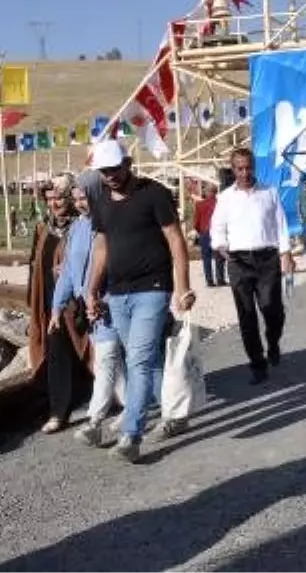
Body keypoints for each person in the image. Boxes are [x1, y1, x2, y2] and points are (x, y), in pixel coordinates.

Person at [86, 139, 195, 462]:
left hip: (154, 287)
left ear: (129, 162)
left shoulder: (155, 194)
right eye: (104, 172)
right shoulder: (102, 202)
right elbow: (102, 247)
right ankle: (174, 412)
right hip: (118, 294)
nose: (111, 176)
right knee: (152, 359)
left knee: (138, 359)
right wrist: (92, 289)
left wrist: (182, 287)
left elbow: (176, 242)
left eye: (116, 169)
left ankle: (131, 435)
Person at [52, 171, 125, 447]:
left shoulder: (111, 221)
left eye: (85, 197)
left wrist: (102, 296)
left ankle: (94, 422)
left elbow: (119, 262)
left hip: (112, 303)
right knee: (113, 363)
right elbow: (70, 270)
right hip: (90, 307)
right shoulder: (78, 228)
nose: (81, 203)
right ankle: (132, 408)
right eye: (77, 198)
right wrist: (58, 306)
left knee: (105, 360)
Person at [210, 148, 294, 384]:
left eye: (248, 167)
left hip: (267, 260)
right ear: (233, 169)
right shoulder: (225, 198)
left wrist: (286, 253)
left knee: (272, 309)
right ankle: (257, 363)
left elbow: (280, 224)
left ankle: (273, 340)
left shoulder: (269, 193)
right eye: (239, 168)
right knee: (246, 316)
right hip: (238, 262)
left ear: (254, 167)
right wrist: (222, 247)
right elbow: (217, 229)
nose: (244, 173)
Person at [29, 174, 90, 434]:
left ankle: (99, 396)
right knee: (57, 354)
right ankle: (58, 412)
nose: (54, 204)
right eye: (50, 199)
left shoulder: (83, 226)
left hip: (79, 301)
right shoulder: (43, 228)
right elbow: (34, 264)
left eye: (59, 198)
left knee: (89, 350)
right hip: (50, 302)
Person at [193, 183, 226, 288]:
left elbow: (196, 222)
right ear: (216, 192)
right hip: (217, 232)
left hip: (204, 232)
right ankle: (220, 279)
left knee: (206, 257)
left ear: (207, 192)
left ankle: (209, 281)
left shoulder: (199, 204)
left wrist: (199, 231)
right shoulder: (220, 204)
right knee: (219, 256)